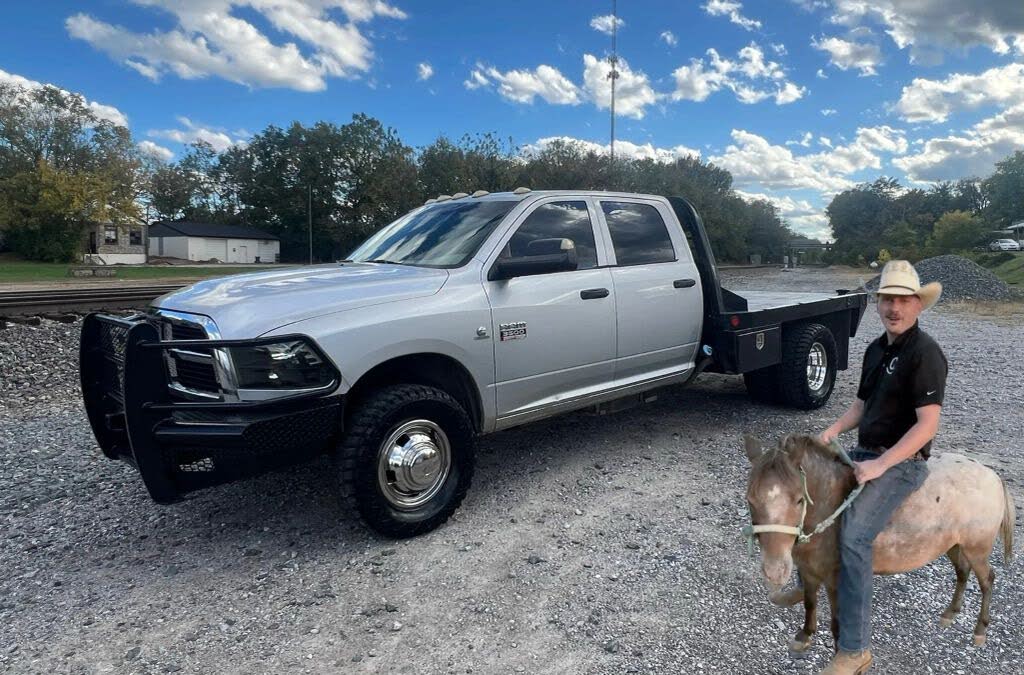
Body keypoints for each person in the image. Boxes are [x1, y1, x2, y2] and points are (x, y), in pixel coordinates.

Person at [810, 260, 947, 674]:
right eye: (887, 298)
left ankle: (854, 649)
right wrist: (830, 433)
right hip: (864, 451)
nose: (894, 307)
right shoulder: (874, 349)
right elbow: (860, 407)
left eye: (903, 299)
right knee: (809, 498)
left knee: (853, 536)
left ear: (918, 305)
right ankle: (805, 585)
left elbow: (928, 426)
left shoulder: (925, 354)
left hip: (902, 463)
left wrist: (882, 464)